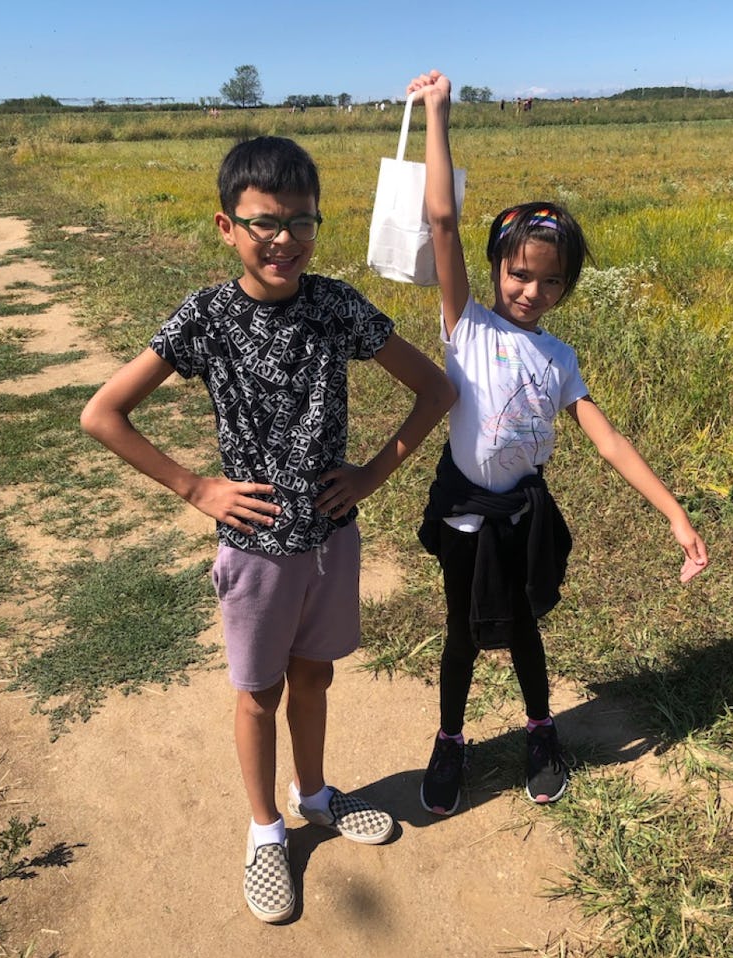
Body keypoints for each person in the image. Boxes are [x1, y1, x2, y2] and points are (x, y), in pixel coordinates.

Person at [81, 135, 456, 923]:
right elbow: (103, 413)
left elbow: (435, 389)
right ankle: (264, 831)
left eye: (301, 222)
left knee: (315, 675)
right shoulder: (206, 318)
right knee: (259, 693)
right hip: (254, 549)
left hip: (332, 538)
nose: (283, 239)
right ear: (227, 226)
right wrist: (196, 488)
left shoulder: (337, 306)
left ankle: (314, 794)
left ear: (317, 227)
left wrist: (371, 474)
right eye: (263, 224)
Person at [406, 70, 709, 815]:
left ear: (566, 287)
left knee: (525, 629)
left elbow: (609, 442)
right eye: (517, 273)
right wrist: (440, 115)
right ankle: (451, 739)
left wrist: (674, 514)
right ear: (497, 269)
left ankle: (542, 729)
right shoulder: (466, 325)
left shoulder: (561, 359)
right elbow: (442, 222)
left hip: (522, 516)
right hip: (462, 513)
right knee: (460, 634)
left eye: (548, 281)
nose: (529, 291)